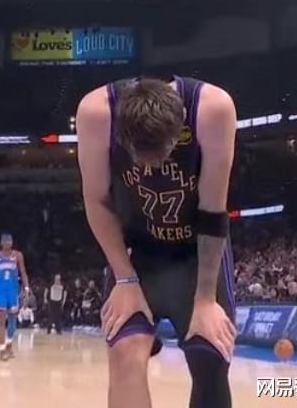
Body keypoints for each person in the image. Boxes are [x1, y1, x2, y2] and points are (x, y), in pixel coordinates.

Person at [77, 76, 237, 408]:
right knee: (124, 353)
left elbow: (213, 210)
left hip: (195, 250)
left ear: (180, 125)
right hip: (137, 251)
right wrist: (125, 279)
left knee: (210, 355)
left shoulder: (213, 108)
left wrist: (205, 299)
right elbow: (96, 200)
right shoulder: (96, 112)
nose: (154, 166)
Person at [0, 233, 29, 361]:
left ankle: (9, 343)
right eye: (5, 241)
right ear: (1, 243)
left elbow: (23, 272)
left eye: (9, 241)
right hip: (0, 291)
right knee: (1, 319)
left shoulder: (18, 255)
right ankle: (2, 349)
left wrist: (26, 289)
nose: (7, 243)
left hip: (13, 291)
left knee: (13, 321)